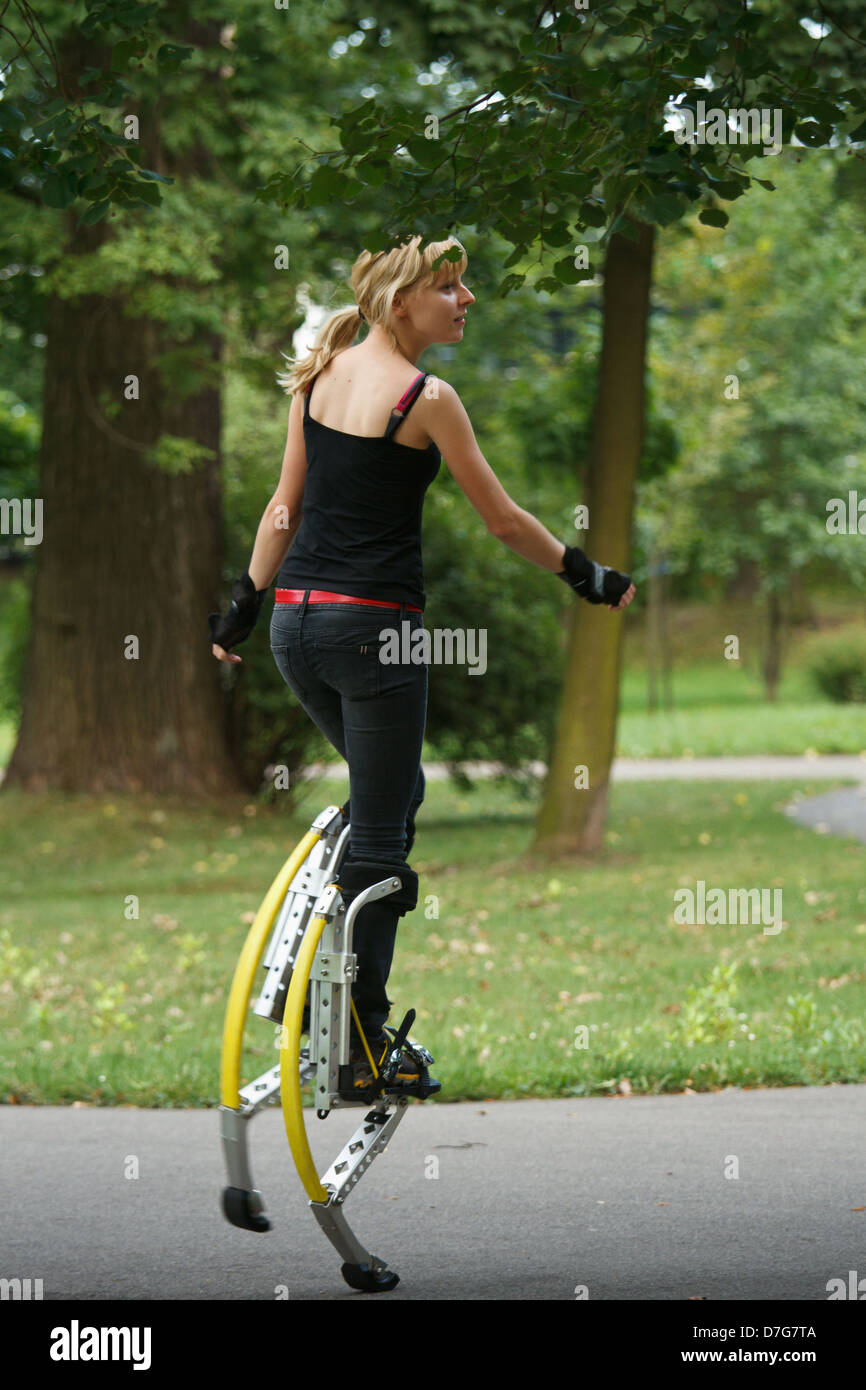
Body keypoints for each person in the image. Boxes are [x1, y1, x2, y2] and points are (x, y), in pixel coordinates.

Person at [209, 234, 635, 1096]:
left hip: (297, 627)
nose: (466, 299)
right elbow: (505, 522)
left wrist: (243, 608)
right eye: (450, 287)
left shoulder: (319, 377)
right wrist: (586, 574)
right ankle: (359, 1043)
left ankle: (316, 977)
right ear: (403, 304)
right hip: (375, 634)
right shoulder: (426, 397)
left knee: (390, 802)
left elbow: (282, 509)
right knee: (381, 834)